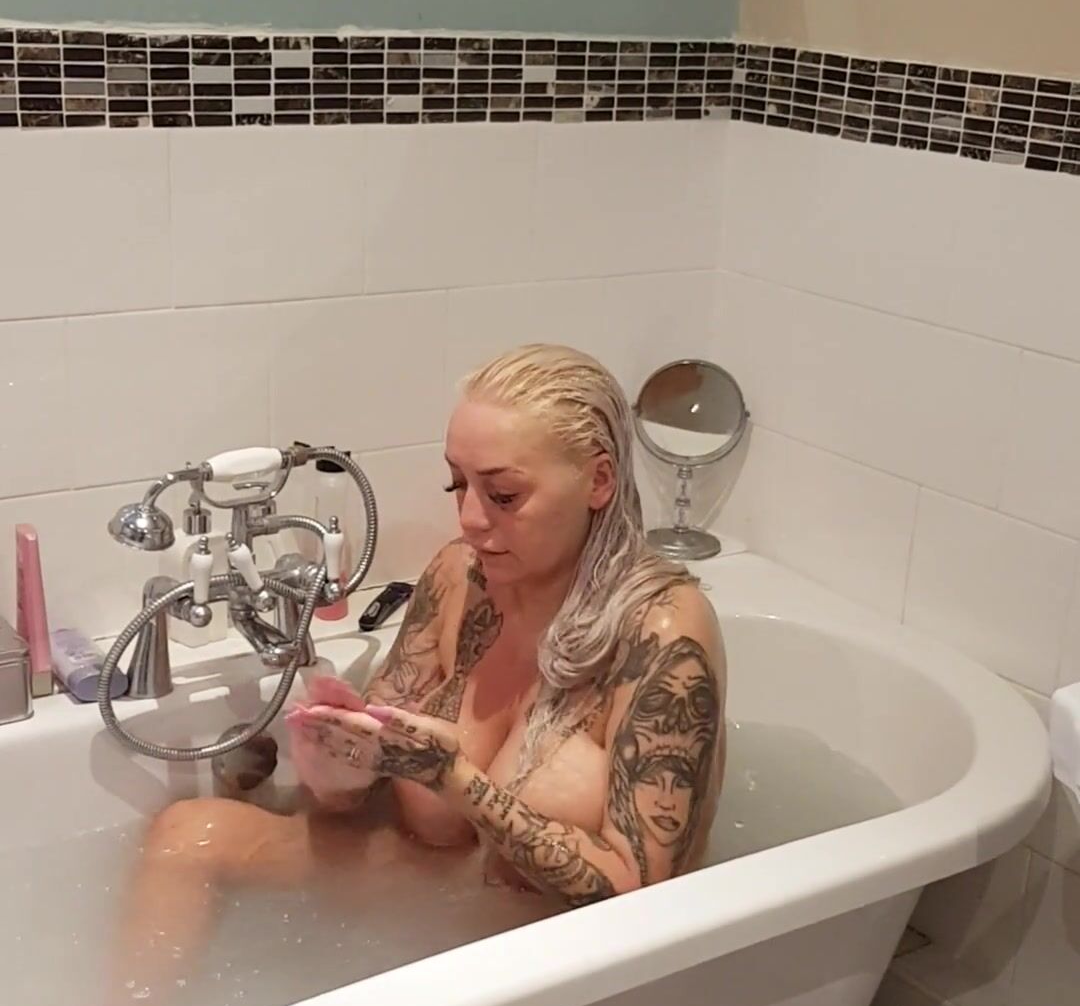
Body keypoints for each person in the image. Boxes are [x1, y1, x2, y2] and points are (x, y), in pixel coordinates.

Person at [127, 345, 726, 953]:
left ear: (598, 480)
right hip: (432, 893)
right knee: (187, 833)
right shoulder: (459, 578)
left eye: (504, 495)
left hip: (560, 948)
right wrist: (339, 772)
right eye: (457, 484)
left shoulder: (662, 633)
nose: (470, 518)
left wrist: (455, 780)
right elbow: (367, 783)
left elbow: (642, 898)